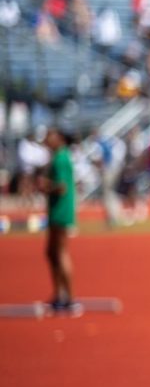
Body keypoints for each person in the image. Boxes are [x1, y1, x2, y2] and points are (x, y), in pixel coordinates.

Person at [39, 127, 81, 316]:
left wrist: (45, 185)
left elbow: (62, 187)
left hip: (61, 211)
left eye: (50, 135)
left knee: (60, 252)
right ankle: (59, 295)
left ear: (60, 138)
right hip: (57, 210)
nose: (47, 139)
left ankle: (69, 299)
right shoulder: (58, 157)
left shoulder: (61, 158)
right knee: (51, 252)